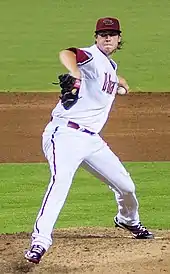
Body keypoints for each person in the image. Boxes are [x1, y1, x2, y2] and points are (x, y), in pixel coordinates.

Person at [25, 16, 154, 264]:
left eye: (112, 34)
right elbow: (67, 53)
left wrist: (121, 86)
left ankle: (128, 220)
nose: (107, 38)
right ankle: (40, 242)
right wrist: (76, 76)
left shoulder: (110, 67)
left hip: (92, 141)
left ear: (119, 39)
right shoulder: (91, 56)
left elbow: (117, 80)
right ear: (96, 37)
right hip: (64, 135)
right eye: (103, 34)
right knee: (60, 181)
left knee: (126, 187)